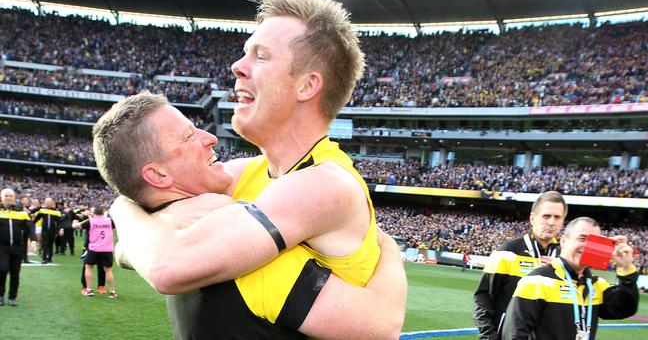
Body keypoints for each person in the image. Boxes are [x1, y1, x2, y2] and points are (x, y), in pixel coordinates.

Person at [94, 93, 404, 338]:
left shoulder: (155, 233)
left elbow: (127, 247)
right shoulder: (243, 258)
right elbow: (379, 325)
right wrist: (387, 245)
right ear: (158, 175)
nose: (210, 138)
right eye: (188, 137)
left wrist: (122, 206)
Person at [501, 217, 639, 339]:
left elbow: (624, 308)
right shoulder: (536, 281)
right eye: (582, 239)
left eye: (593, 241)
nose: (586, 246)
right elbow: (513, 334)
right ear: (564, 241)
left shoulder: (595, 284)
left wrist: (626, 268)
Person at [473, 191, 567, 340]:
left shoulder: (565, 258)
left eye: (557, 217)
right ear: (532, 218)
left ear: (563, 221)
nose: (551, 222)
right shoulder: (507, 252)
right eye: (546, 216)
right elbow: (483, 298)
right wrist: (488, 336)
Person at [0, 188, 37, 306]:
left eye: (11, 196)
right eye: (6, 195)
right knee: (2, 270)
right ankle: (0, 295)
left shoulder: (22, 212)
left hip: (17, 248)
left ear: (14, 198)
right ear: (2, 198)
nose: (9, 198)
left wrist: (33, 240)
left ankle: (12, 297)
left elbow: (30, 227)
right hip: (2, 248)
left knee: (15, 274)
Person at [73, 206, 117, 299]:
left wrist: (74, 222)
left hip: (94, 249)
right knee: (108, 270)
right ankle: (112, 291)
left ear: (94, 213)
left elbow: (77, 227)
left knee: (88, 267)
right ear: (103, 212)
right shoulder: (110, 221)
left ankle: (89, 289)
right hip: (107, 249)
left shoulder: (91, 221)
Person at [32, 197, 62, 264]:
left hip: (52, 230)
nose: (48, 203)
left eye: (49, 202)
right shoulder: (42, 210)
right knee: (45, 243)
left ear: (52, 203)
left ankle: (50, 258)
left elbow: (60, 221)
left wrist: (59, 229)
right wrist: (30, 224)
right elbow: (37, 218)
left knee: (51, 244)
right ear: (45, 203)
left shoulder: (56, 212)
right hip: (44, 230)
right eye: (46, 202)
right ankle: (44, 258)